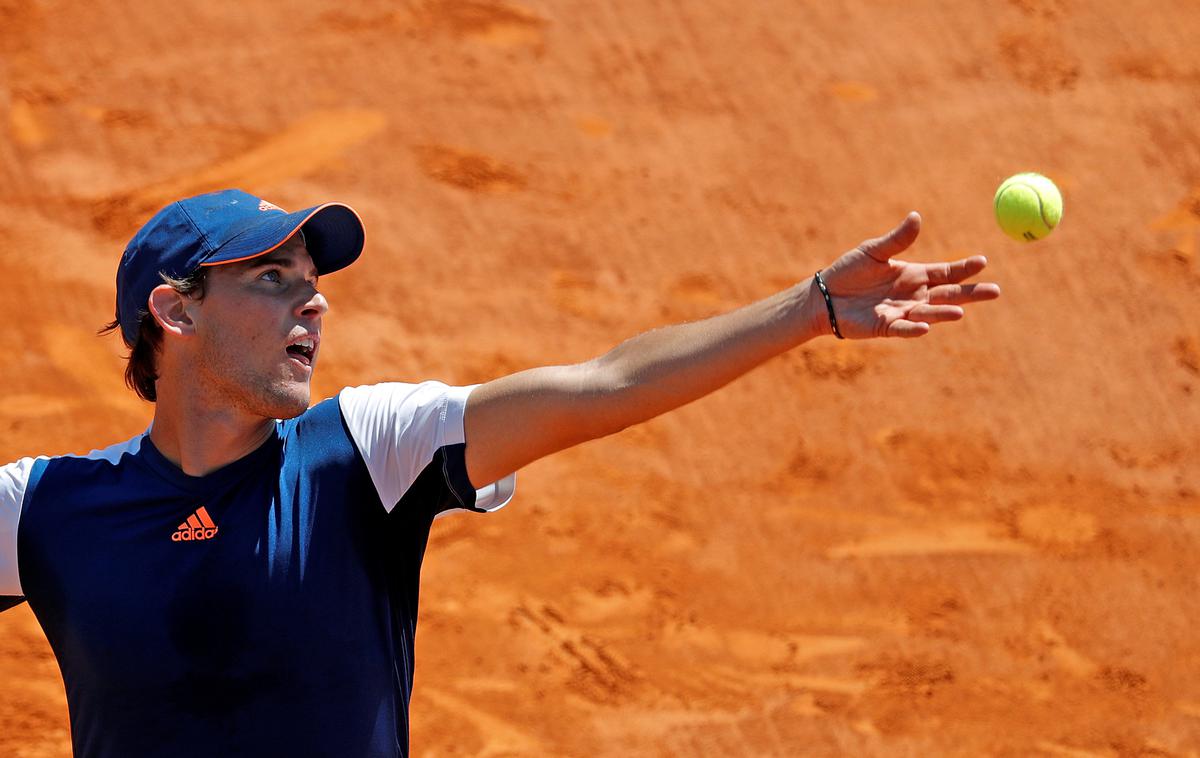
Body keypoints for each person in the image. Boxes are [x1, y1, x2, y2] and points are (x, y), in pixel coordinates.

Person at [0, 188, 999, 757]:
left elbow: (602, 384)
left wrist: (810, 307)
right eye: (273, 280)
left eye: (313, 284)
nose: (314, 306)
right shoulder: (43, 509)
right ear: (176, 312)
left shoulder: (365, 452)